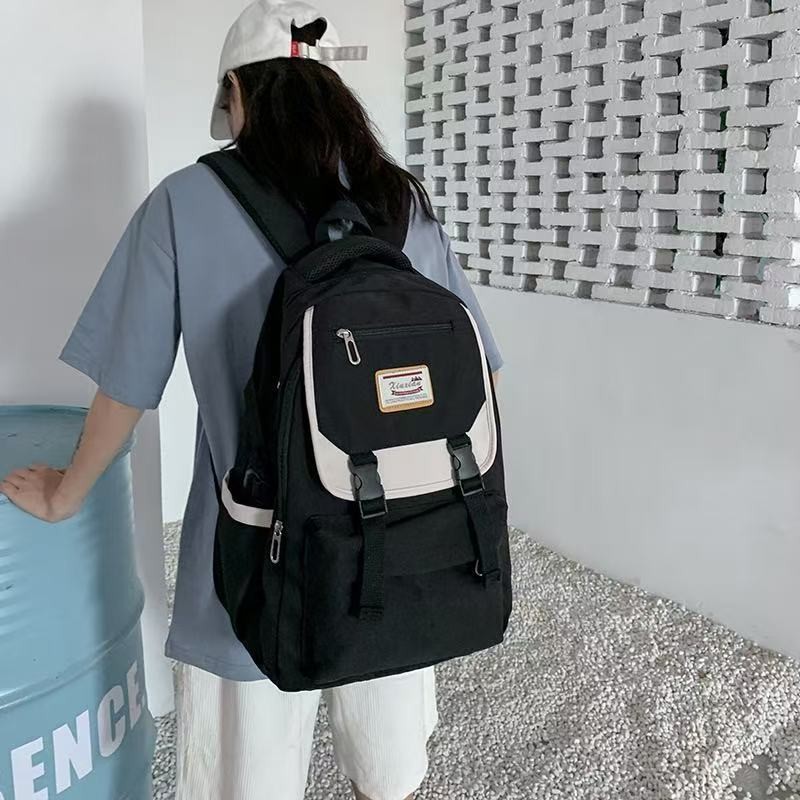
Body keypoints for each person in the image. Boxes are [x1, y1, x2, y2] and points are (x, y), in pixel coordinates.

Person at [1, 1, 502, 798]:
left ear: (236, 91)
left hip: (255, 549)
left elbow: (126, 385)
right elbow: (479, 374)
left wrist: (65, 495)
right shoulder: (400, 202)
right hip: (399, 539)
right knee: (389, 769)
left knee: (247, 775)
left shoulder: (185, 202)